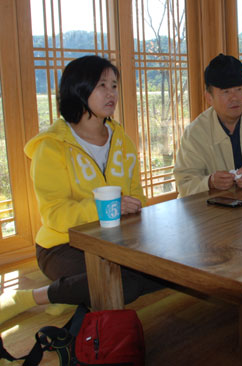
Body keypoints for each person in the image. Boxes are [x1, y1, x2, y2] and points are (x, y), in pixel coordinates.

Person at [0, 55, 165, 325]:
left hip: (116, 240)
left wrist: (135, 213)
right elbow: (55, 213)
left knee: (168, 269)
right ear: (78, 89)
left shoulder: (120, 138)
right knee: (123, 283)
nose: (111, 93)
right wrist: (108, 209)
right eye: (101, 85)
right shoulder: (51, 147)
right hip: (62, 245)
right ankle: (35, 297)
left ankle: (74, 293)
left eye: (114, 85)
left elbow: (136, 193)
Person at [174, 53, 242, 197]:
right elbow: (184, 183)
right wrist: (209, 182)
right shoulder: (195, 132)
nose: (234, 98)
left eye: (239, 89)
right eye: (226, 92)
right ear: (209, 98)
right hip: (212, 209)